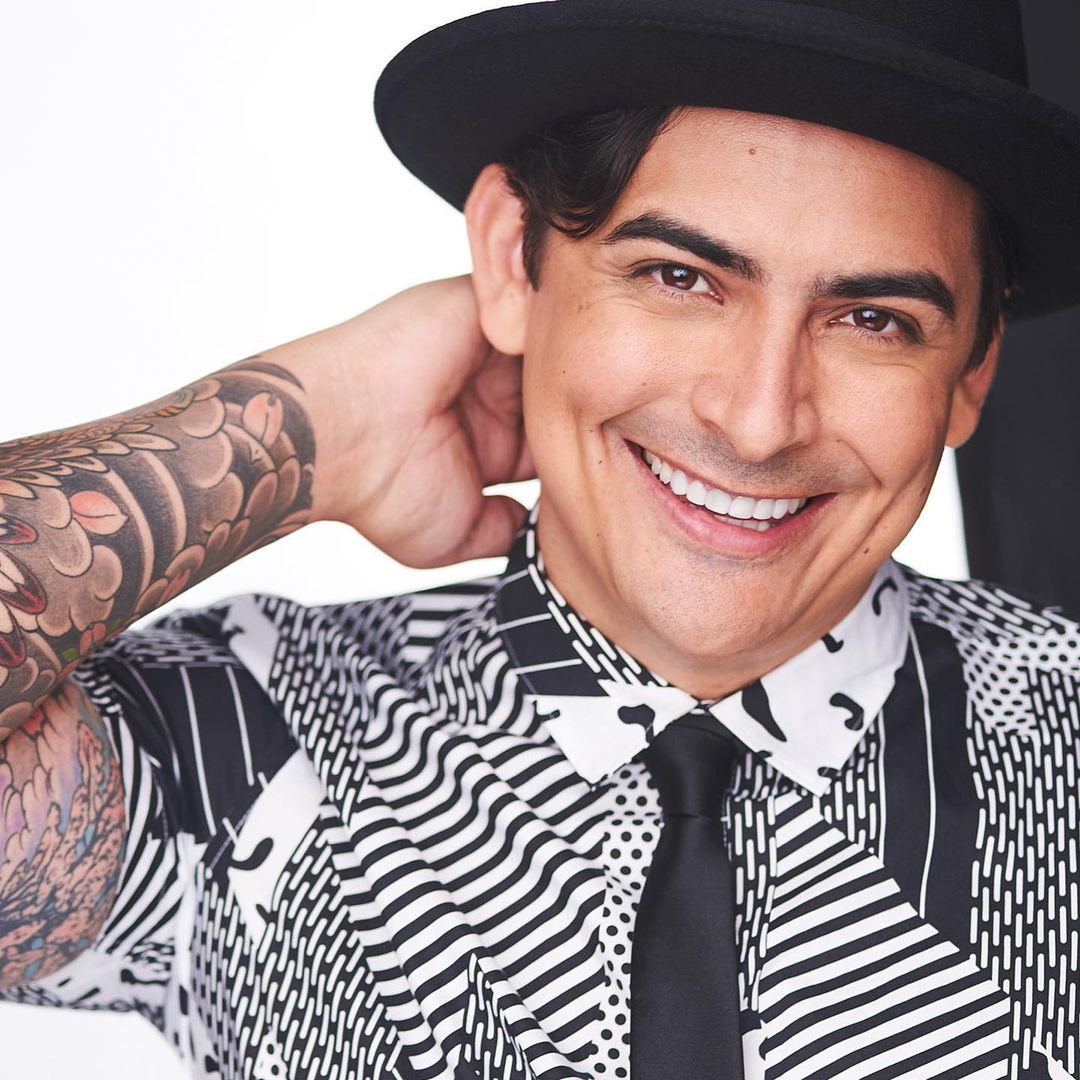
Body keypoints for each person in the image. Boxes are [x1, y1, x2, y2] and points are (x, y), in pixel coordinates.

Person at [1, 1, 1079, 1077]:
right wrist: (311, 428)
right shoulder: (243, 740)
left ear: (973, 368)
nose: (760, 421)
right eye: (679, 277)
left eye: (874, 320)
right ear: (513, 257)